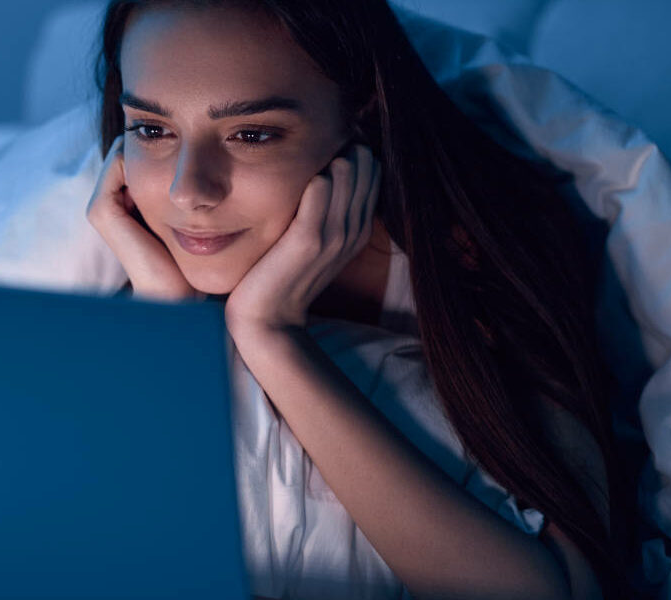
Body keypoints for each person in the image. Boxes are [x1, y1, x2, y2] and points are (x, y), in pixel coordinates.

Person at [84, 1, 638, 598]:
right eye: (151, 129)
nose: (187, 190)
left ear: (361, 114)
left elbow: (564, 588)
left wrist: (272, 335)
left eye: (250, 134)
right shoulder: (129, 256)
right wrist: (164, 316)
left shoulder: (477, 260)